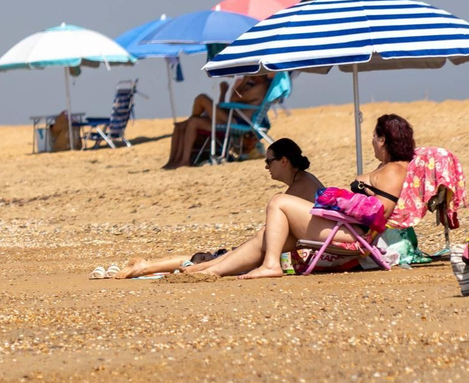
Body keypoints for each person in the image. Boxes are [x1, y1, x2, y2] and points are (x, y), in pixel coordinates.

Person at [190, 114, 415, 280]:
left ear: (383, 139)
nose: (372, 141)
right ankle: (211, 270)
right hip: (348, 227)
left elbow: (380, 213)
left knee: (278, 201)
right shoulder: (386, 167)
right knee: (269, 236)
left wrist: (354, 193)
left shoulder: (393, 170)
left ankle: (270, 265)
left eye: (375, 136)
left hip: (356, 234)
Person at [97, 138, 324, 279]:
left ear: (283, 161)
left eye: (269, 162)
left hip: (306, 245)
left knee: (214, 257)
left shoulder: (301, 185)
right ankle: (152, 266)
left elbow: (273, 236)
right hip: (297, 242)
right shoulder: (300, 183)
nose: (266, 167)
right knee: (221, 255)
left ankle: (151, 267)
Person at [162, 72, 272, 168]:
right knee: (189, 124)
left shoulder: (261, 87)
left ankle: (184, 160)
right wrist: (243, 81)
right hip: (229, 117)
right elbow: (233, 97)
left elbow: (234, 98)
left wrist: (246, 78)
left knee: (202, 98)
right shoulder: (253, 86)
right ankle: (173, 161)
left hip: (236, 121)